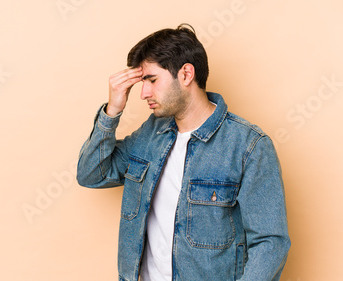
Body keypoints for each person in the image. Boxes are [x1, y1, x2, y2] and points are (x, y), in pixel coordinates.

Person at [76, 24, 290, 281]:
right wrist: (112, 110)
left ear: (186, 74)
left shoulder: (249, 146)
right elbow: (91, 174)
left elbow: (270, 243)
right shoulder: (150, 135)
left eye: (152, 80)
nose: (143, 93)